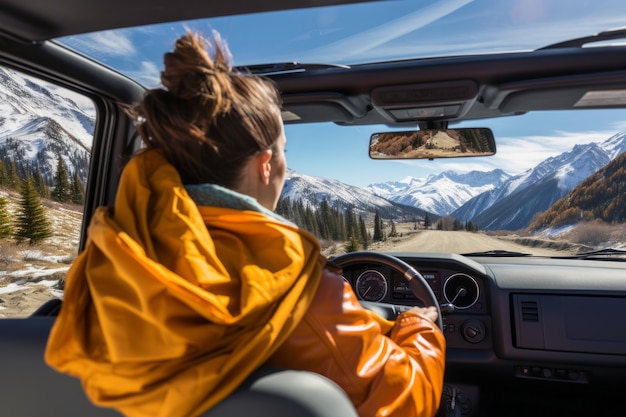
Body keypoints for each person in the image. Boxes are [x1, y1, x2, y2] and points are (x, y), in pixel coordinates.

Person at [45, 31, 445, 417]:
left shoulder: (100, 269)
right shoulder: (302, 292)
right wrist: (419, 328)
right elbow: (403, 401)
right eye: (285, 152)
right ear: (266, 164)